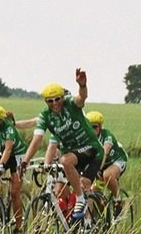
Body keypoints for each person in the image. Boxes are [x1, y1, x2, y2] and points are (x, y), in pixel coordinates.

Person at [22, 69, 101, 220]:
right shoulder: (46, 115)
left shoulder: (71, 104)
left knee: (73, 171)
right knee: (60, 189)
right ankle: (69, 228)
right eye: (50, 101)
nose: (54, 103)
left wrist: (82, 85)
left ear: (62, 98)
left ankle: (82, 202)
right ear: (45, 101)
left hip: (91, 149)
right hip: (72, 154)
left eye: (57, 99)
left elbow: (81, 98)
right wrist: (25, 161)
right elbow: (37, 140)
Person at [0, 104, 27, 234]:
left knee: (14, 192)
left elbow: (8, 149)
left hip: (17, 154)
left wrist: (0, 166)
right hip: (3, 153)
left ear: (0, 120)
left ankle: (19, 228)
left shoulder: (8, 128)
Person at [87, 111, 128, 201]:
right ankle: (99, 213)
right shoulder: (87, 137)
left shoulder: (107, 135)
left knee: (108, 175)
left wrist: (96, 169)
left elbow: (105, 152)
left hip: (117, 160)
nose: (92, 130)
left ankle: (118, 200)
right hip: (102, 164)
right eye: (89, 127)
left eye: (95, 127)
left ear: (100, 127)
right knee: (92, 194)